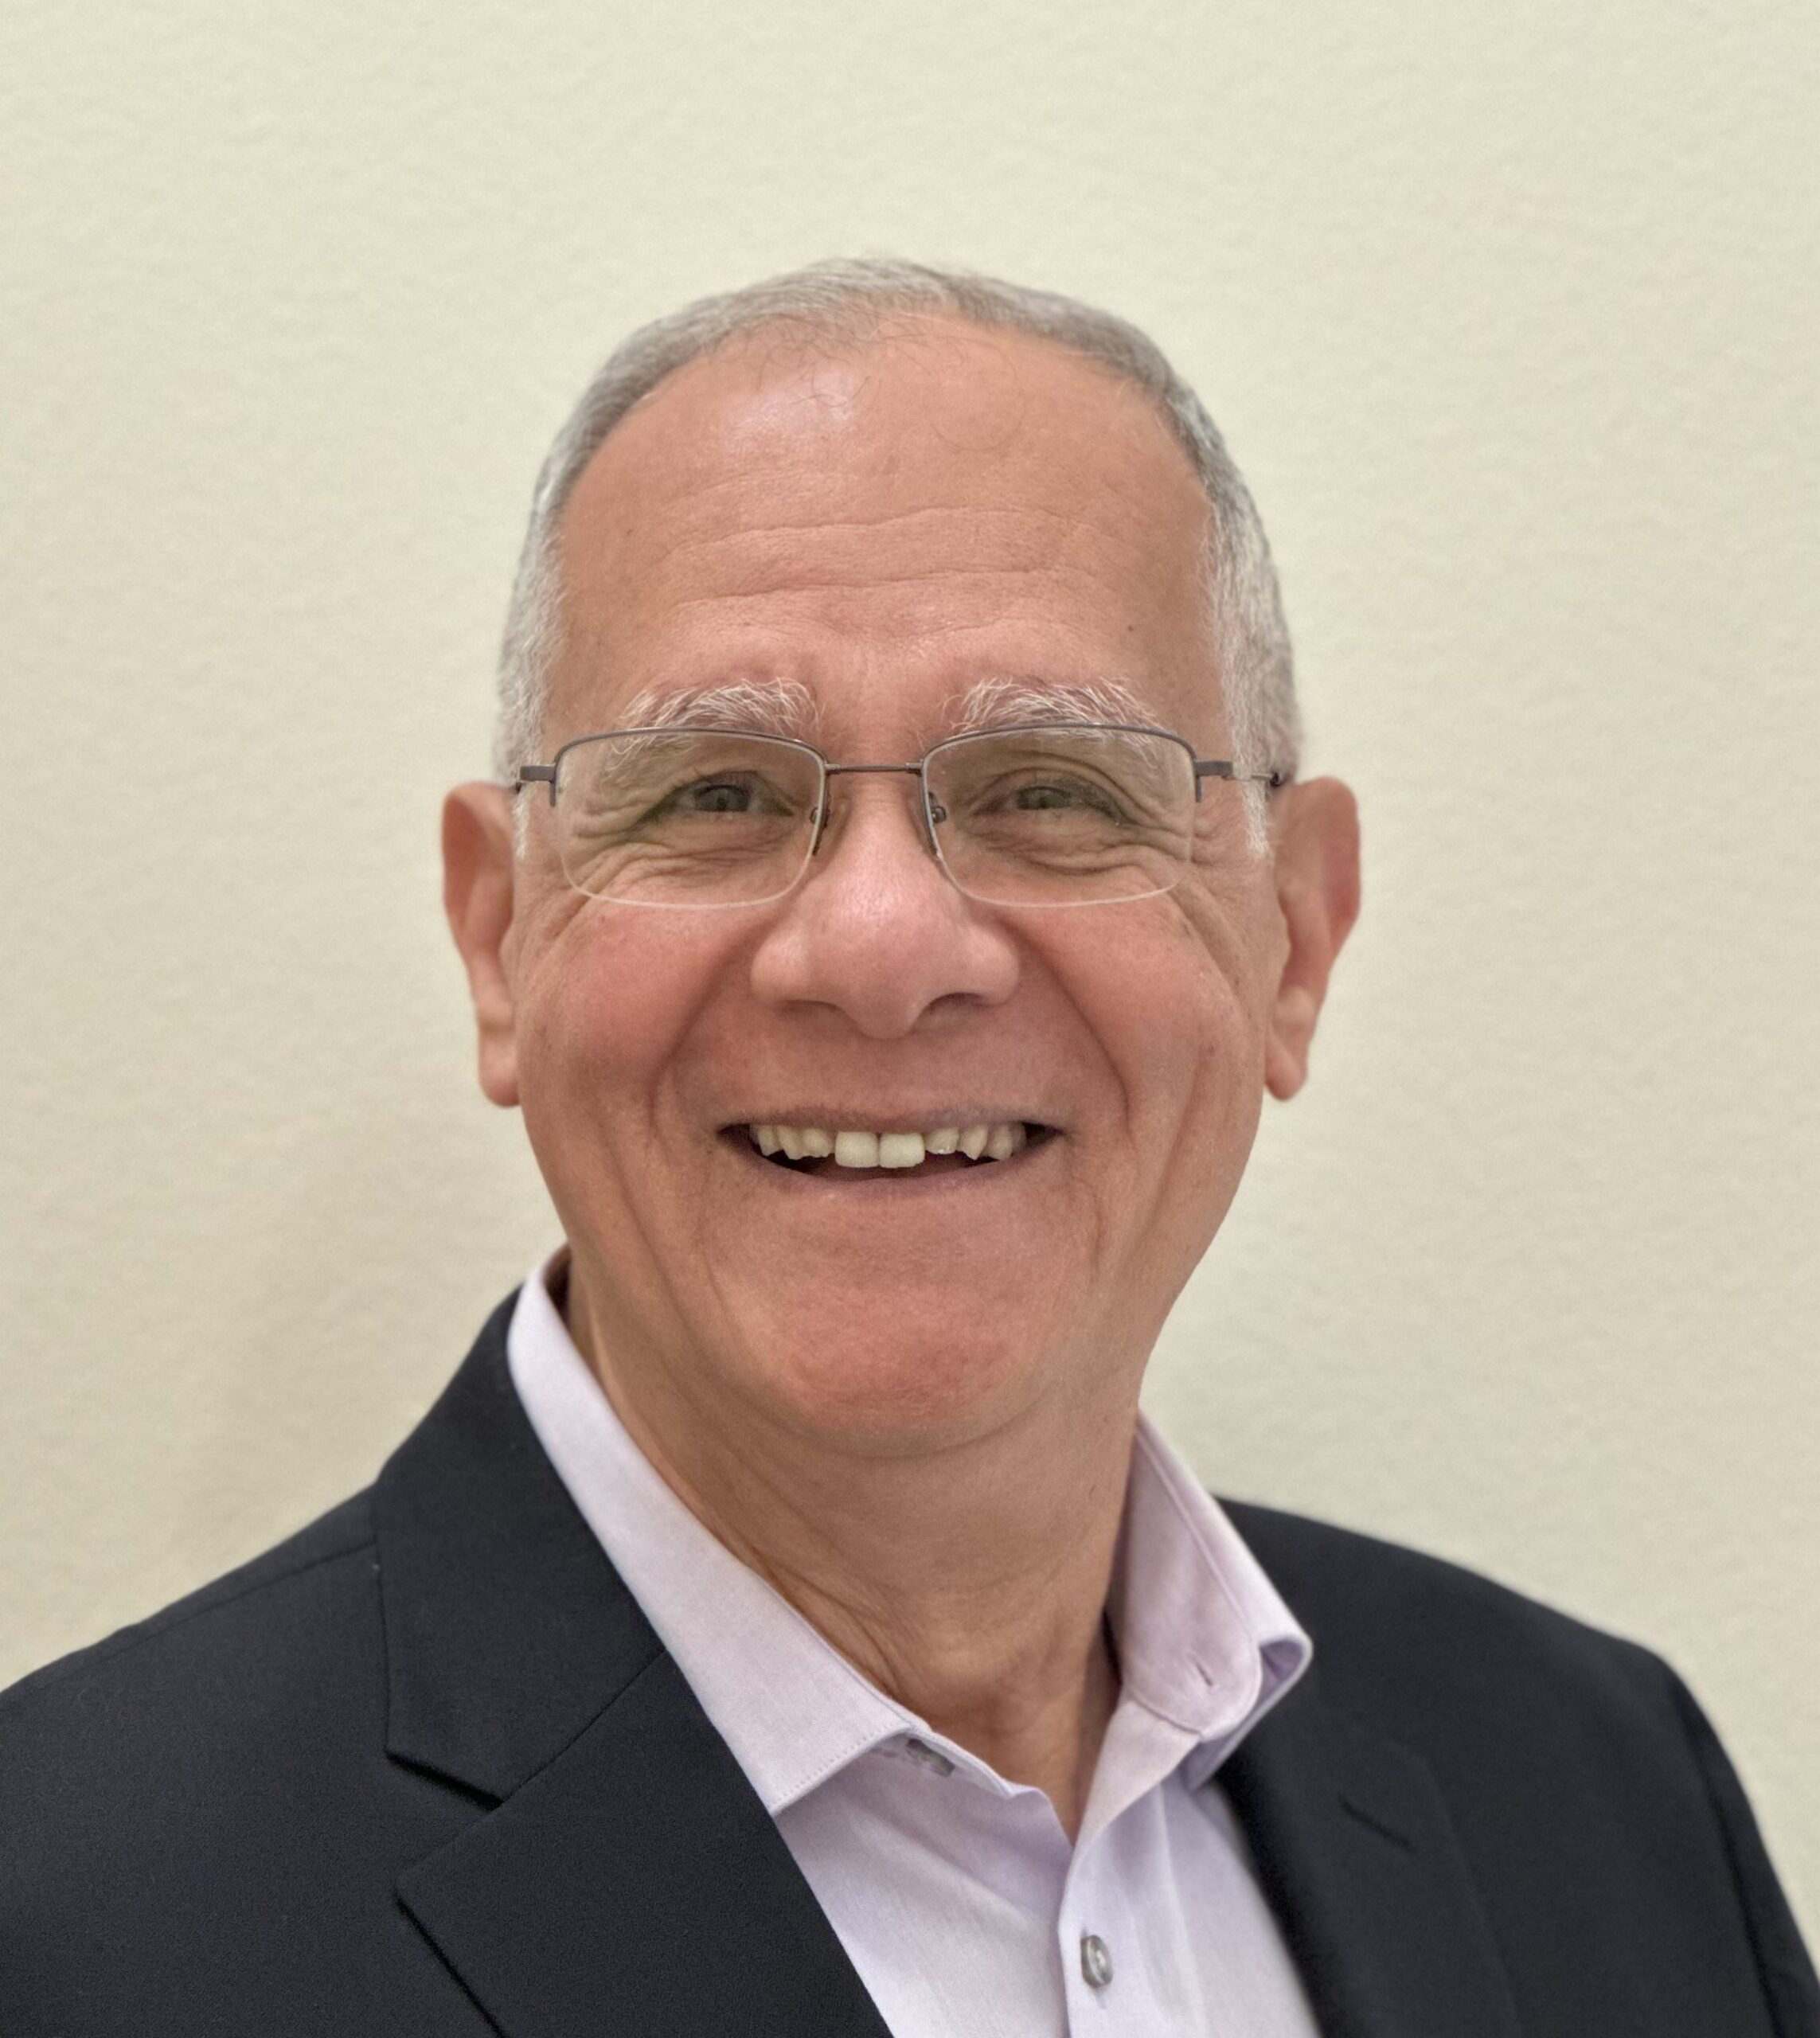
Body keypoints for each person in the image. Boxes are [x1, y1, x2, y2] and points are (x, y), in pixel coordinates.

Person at [1, 259, 1813, 2037]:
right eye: (715, 793)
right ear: (500, 937)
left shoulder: (1605, 1793)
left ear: (1293, 939)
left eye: (1054, 790)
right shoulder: (67, 1919)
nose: (880, 950)